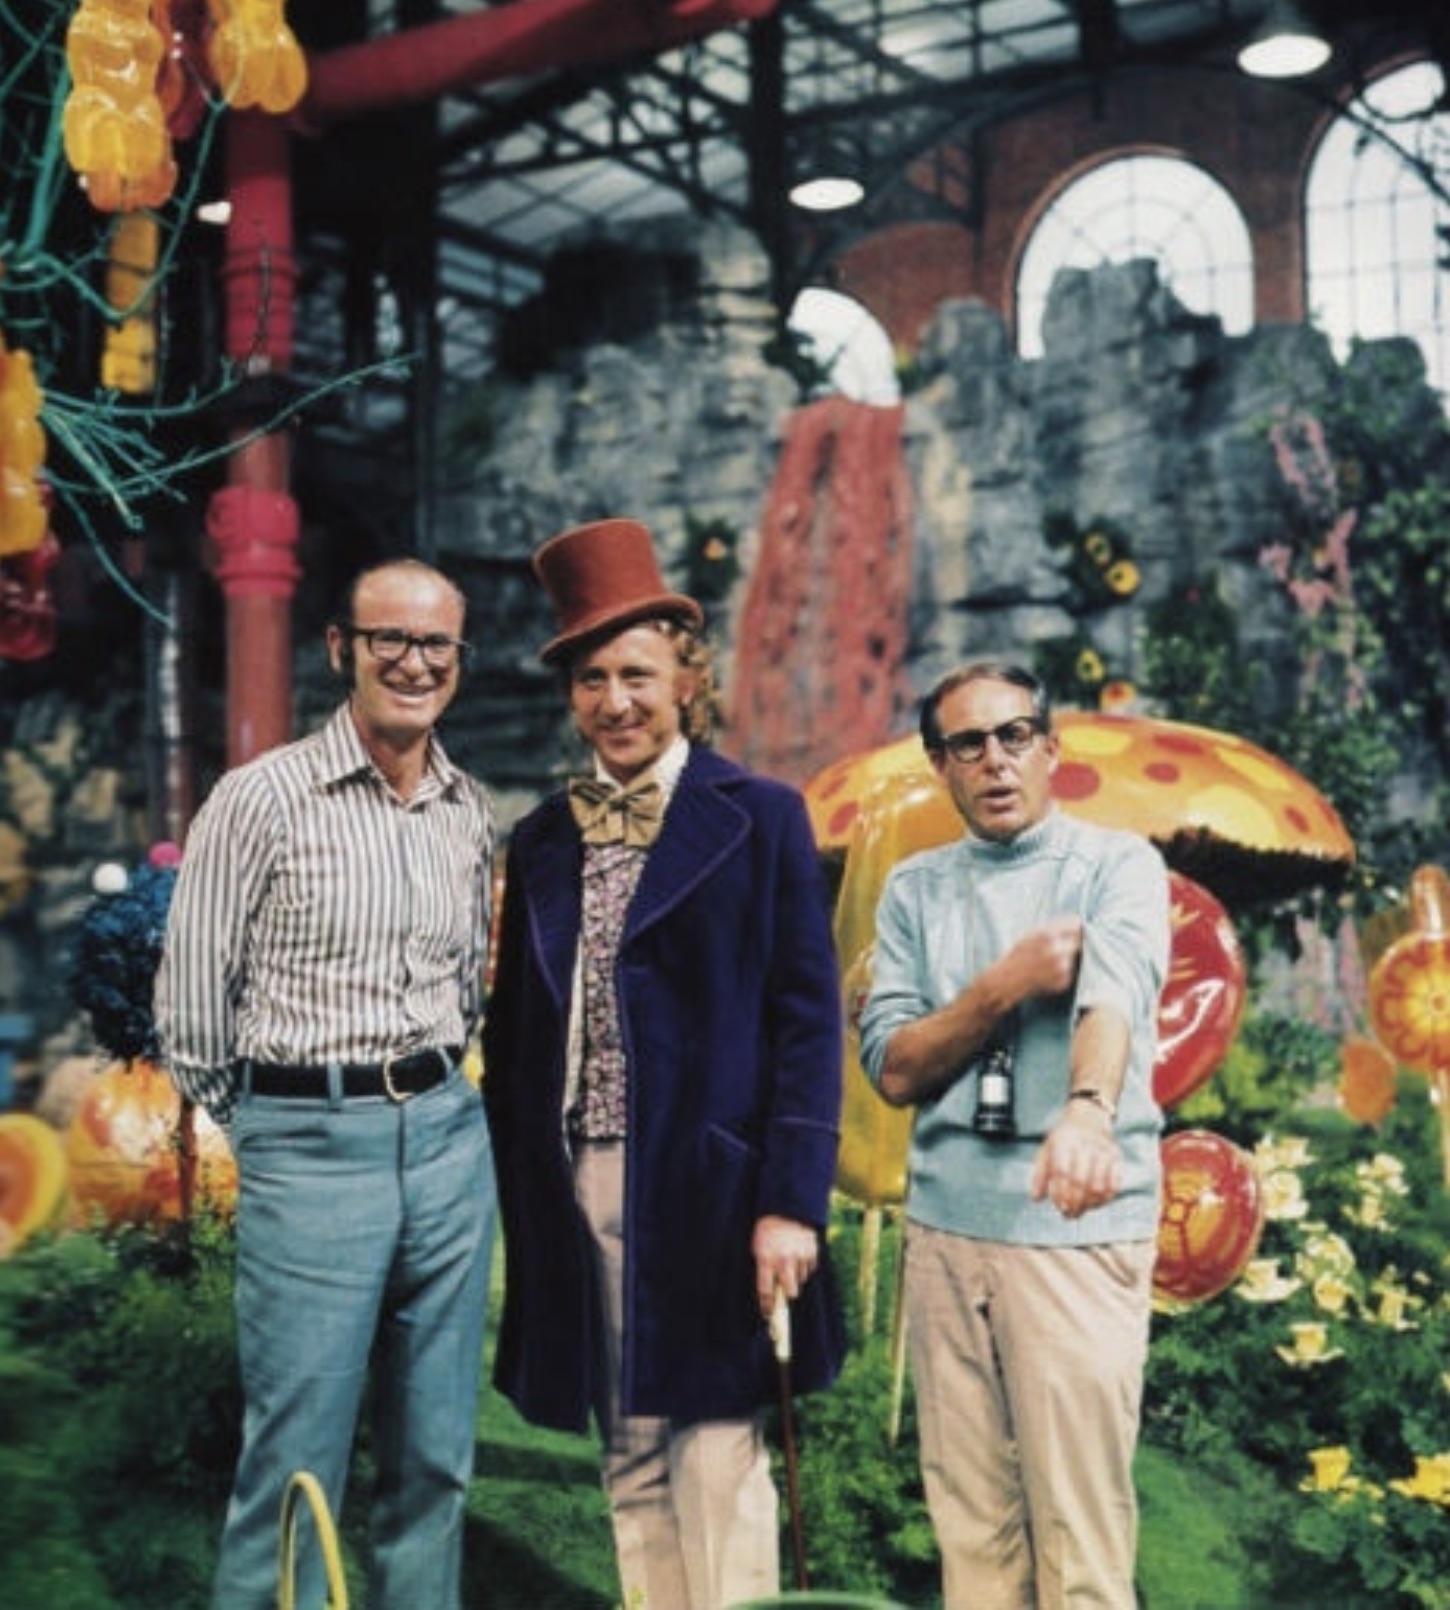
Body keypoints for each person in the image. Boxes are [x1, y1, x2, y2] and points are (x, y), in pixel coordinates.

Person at [482, 516, 846, 1610]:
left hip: (713, 1187)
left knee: (715, 1456)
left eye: (636, 674)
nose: (615, 701)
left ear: (686, 677)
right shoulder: (542, 838)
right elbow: (515, 1033)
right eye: (591, 679)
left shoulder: (762, 817)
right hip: (579, 1184)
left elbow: (806, 1022)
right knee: (629, 1455)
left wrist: (789, 1202)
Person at [155, 558, 498, 1610]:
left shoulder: (468, 808)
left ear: (459, 659)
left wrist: (433, 1096)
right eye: (390, 638)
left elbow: (464, 987)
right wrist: (276, 1124)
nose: (414, 662)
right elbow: (192, 1007)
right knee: (295, 1456)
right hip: (310, 1143)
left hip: (446, 1140)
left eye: (435, 643)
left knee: (435, 1454)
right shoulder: (259, 799)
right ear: (341, 648)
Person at [857, 660, 1170, 1610]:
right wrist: (1004, 985)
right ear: (940, 766)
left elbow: (1113, 997)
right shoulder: (913, 890)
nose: (994, 760)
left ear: (1050, 749)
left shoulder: (1117, 865)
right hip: (946, 1233)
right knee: (973, 1532)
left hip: (1071, 1235)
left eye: (1014, 736)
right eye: (968, 744)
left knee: (1078, 1536)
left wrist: (1086, 1110)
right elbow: (896, 1068)